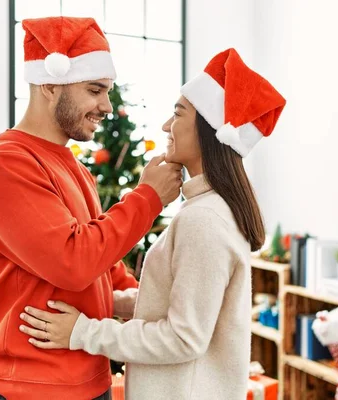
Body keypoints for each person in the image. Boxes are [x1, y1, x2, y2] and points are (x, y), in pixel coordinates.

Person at [19, 48, 286, 400]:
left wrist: (83, 332)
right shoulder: (208, 210)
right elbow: (179, 303)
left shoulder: (204, 220)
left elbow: (183, 338)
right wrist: (109, 301)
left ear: (209, 130)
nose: (165, 126)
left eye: (177, 114)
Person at [0, 16, 182, 400]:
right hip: (30, 386)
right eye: (95, 90)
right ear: (49, 83)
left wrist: (133, 297)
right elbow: (72, 260)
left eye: (107, 91)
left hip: (87, 373)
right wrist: (148, 197)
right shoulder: (5, 164)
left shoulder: (76, 169)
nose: (106, 106)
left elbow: (102, 265)